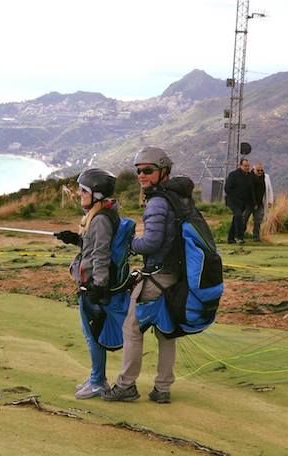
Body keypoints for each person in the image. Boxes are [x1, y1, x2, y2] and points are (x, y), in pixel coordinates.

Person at [103, 146, 177, 404]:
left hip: (156, 277)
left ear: (163, 171)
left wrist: (132, 243)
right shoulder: (178, 198)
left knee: (132, 328)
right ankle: (163, 388)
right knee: (166, 331)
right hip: (177, 276)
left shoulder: (158, 201)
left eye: (147, 170)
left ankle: (125, 385)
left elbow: (152, 243)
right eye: (138, 171)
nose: (141, 175)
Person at [54, 168, 118, 399]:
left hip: (92, 285)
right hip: (90, 282)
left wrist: (98, 286)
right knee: (90, 333)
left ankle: (98, 381)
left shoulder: (100, 219)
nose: (79, 194)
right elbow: (92, 247)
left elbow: (101, 254)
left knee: (93, 335)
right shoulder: (99, 216)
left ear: (97, 194)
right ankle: (95, 376)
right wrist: (76, 240)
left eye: (84, 191)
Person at [223, 158, 254, 244]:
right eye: (245, 166)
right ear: (240, 166)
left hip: (243, 203)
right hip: (232, 201)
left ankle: (230, 238)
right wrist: (235, 198)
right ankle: (239, 237)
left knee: (236, 219)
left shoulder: (250, 176)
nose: (247, 167)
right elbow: (227, 188)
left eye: (248, 166)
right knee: (238, 216)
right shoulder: (233, 175)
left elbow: (251, 190)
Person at [245, 162, 274, 241]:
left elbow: (269, 189)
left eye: (261, 170)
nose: (260, 172)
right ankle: (240, 235)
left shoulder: (266, 177)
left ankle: (256, 237)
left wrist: (270, 201)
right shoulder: (248, 176)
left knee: (258, 220)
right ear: (254, 169)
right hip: (249, 203)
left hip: (260, 202)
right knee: (244, 219)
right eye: (258, 170)